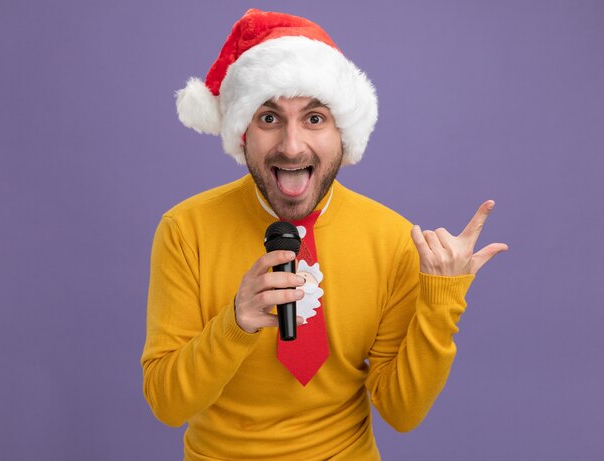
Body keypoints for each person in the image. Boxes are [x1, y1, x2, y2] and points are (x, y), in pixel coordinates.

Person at [141, 9, 508, 461]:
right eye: (269, 119)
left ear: (343, 134)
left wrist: (442, 299)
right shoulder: (186, 230)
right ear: (241, 134)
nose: (292, 146)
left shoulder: (390, 239)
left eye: (314, 119)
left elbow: (402, 412)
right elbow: (166, 403)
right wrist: (234, 323)